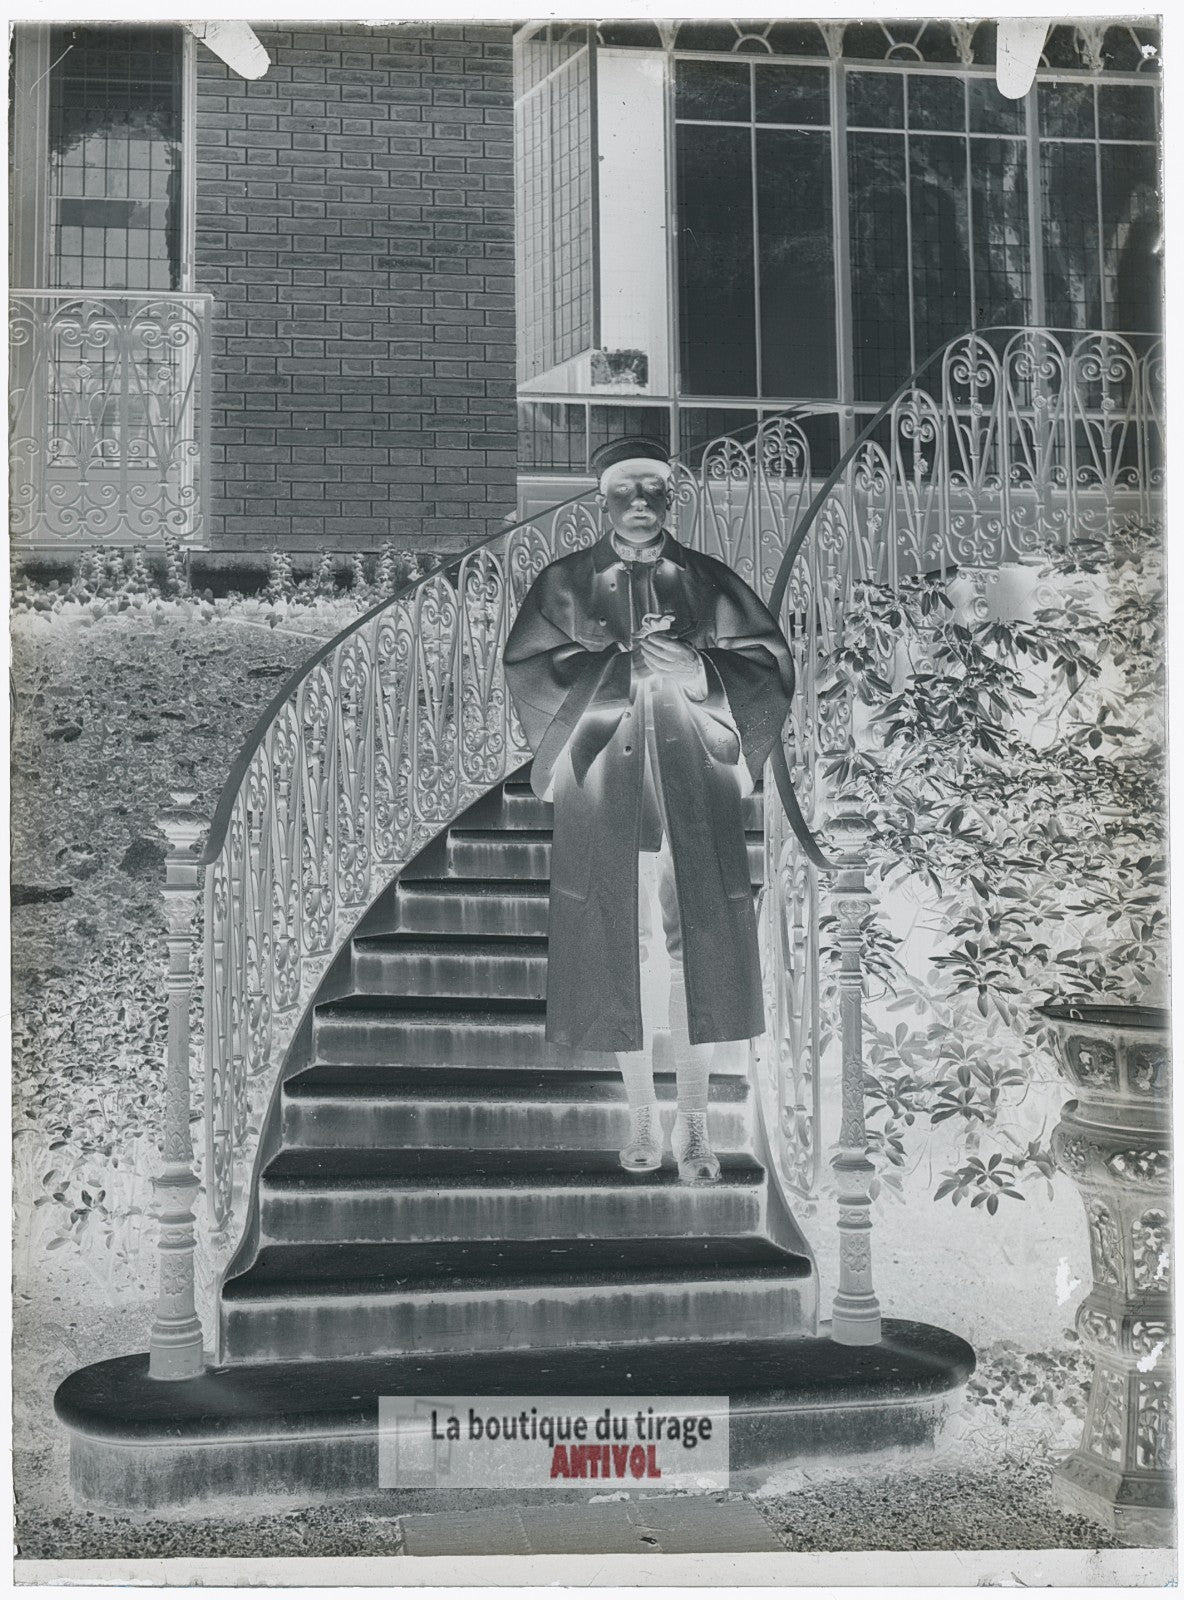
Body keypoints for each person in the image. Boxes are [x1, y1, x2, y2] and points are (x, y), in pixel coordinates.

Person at [503, 437, 794, 1183]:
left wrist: (700, 668)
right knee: (617, 939)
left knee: (691, 938)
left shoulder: (711, 581)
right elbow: (529, 669)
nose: (639, 501)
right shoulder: (564, 583)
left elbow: (770, 667)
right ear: (601, 499)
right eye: (625, 488)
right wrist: (619, 666)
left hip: (693, 779)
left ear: (672, 497)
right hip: (609, 782)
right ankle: (640, 1116)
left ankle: (694, 1124)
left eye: (653, 487)